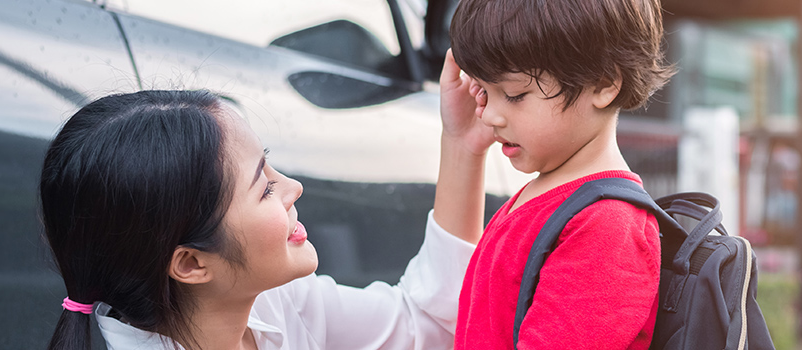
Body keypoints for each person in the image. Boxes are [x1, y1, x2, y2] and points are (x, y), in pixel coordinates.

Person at [38, 90, 483, 350]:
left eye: (270, 168)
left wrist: (463, 143)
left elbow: (425, 326)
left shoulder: (275, 302)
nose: (294, 188)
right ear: (191, 263)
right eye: (265, 188)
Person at [437, 0, 677, 348]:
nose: (490, 116)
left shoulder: (607, 226)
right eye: (486, 93)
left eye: (515, 95)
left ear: (602, 83)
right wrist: (461, 140)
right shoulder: (550, 196)